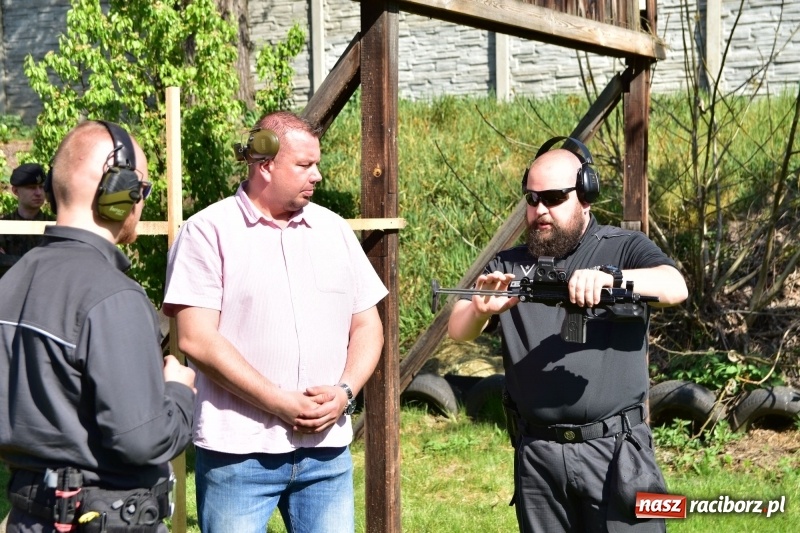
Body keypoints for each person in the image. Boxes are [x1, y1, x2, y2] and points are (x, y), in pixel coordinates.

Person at [162, 110, 388, 533]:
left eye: (316, 163)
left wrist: (345, 391)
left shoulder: (334, 230)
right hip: (239, 455)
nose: (317, 175)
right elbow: (196, 339)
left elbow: (368, 325)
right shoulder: (207, 232)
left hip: (327, 452)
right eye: (304, 165)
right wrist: (279, 402)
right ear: (264, 165)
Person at [448, 137, 688, 533]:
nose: (540, 210)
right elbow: (458, 329)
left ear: (586, 197)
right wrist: (479, 308)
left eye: (555, 198)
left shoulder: (623, 247)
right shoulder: (509, 264)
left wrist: (611, 279)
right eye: (532, 198)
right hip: (538, 455)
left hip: (616, 451)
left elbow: (674, 286)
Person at [0, 120, 196, 533]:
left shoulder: (11, 282)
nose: (141, 203)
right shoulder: (113, 296)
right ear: (118, 191)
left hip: (27, 518)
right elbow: (143, 440)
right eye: (140, 190)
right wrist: (179, 390)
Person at [0, 163, 54, 277]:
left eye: (41, 187)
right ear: (15, 191)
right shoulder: (4, 226)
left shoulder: (54, 226)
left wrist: (11, 261)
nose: (39, 193)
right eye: (31, 188)